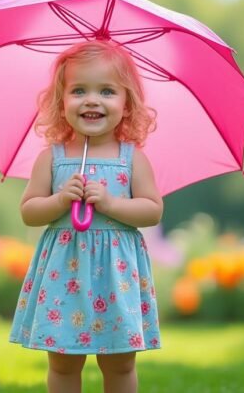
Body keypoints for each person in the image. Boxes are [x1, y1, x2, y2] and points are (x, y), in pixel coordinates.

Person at [9, 40, 162, 393]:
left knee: (120, 363)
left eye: (107, 91)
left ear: (127, 104)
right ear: (61, 103)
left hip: (116, 277)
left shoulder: (132, 159)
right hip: (66, 273)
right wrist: (60, 199)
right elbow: (29, 211)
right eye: (79, 91)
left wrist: (110, 203)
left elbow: (152, 210)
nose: (92, 100)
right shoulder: (53, 158)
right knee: (63, 363)